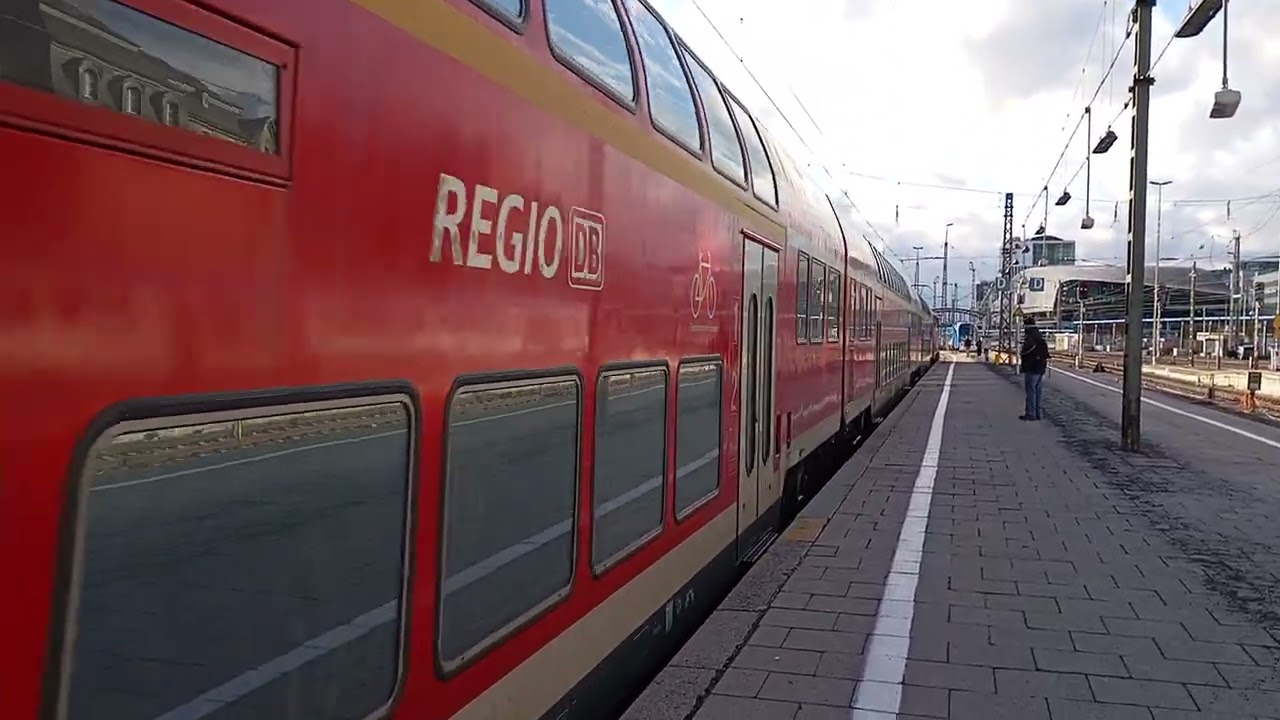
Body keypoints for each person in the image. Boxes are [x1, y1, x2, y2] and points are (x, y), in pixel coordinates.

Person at [1019, 317, 1049, 420]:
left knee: (1031, 391)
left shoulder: (1030, 337)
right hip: (1041, 367)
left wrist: (1022, 355)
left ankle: (1030, 414)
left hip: (1032, 367)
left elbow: (1026, 351)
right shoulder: (1040, 336)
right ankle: (1038, 414)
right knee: (1038, 391)